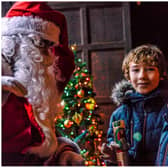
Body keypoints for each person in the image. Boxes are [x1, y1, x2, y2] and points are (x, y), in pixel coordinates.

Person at [2, 2, 84, 166]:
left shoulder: (37, 81)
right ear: (17, 42)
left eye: (50, 46)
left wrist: (64, 152)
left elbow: (41, 135)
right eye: (42, 45)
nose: (48, 56)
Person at [101, 44, 168, 165]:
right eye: (136, 70)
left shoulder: (165, 109)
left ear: (162, 74)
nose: (142, 76)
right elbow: (120, 159)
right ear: (128, 76)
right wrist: (113, 157)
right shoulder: (120, 114)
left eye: (150, 69)